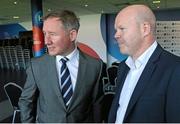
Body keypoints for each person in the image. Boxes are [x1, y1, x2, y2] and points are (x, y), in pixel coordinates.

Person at [18, 10, 105, 123]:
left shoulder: (95, 66)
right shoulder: (37, 65)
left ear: (72, 35)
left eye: (52, 34)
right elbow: (26, 101)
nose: (46, 41)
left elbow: (96, 104)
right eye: (45, 33)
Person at [108, 4, 180, 123]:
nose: (116, 35)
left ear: (145, 29)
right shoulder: (123, 67)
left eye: (122, 28)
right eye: (116, 30)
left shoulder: (175, 69)